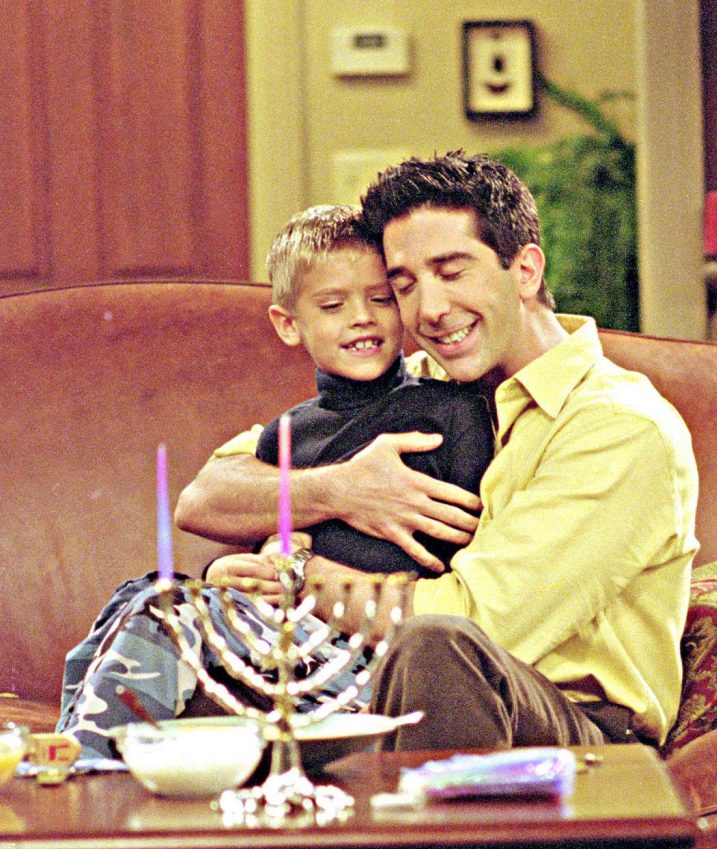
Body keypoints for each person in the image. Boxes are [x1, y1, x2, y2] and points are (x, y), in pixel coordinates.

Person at [176, 151, 700, 751]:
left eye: (452, 273)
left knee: (437, 647)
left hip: (573, 729)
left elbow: (476, 622)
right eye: (404, 286)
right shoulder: (416, 384)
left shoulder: (620, 427)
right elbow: (208, 495)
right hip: (377, 685)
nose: (429, 310)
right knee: (198, 649)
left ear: (525, 270)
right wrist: (337, 490)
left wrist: (299, 578)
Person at [56, 204, 493, 758]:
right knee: (138, 594)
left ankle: (87, 767)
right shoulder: (284, 435)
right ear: (289, 324)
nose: (362, 318)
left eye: (381, 299)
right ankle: (68, 757)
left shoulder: (450, 412)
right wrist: (229, 574)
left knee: (162, 608)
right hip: (283, 639)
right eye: (333, 305)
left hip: (373, 657)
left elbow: (461, 558)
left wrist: (301, 577)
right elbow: (262, 543)